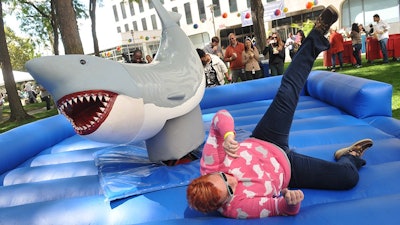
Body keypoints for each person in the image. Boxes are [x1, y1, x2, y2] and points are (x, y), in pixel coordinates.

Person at [187, 5, 373, 219]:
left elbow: (221, 117)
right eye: (229, 189)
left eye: (223, 176)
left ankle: (317, 32)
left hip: (265, 139)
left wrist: (228, 135)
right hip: (288, 169)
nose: (233, 179)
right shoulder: (237, 207)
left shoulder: (211, 164)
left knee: (288, 90)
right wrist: (290, 203)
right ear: (220, 204)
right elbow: (278, 208)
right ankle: (349, 156)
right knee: (347, 178)